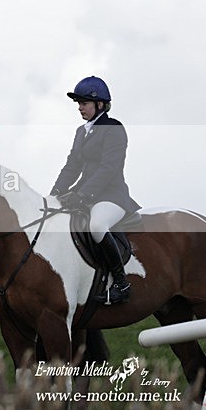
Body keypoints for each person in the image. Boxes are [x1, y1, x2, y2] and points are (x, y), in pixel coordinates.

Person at [50, 76, 141, 305]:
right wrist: (55, 193)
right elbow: (72, 166)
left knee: (97, 225)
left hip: (111, 195)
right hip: (85, 194)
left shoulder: (114, 128)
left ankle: (121, 283)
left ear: (100, 104)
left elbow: (109, 168)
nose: (80, 108)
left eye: (84, 103)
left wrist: (83, 195)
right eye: (78, 104)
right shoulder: (81, 131)